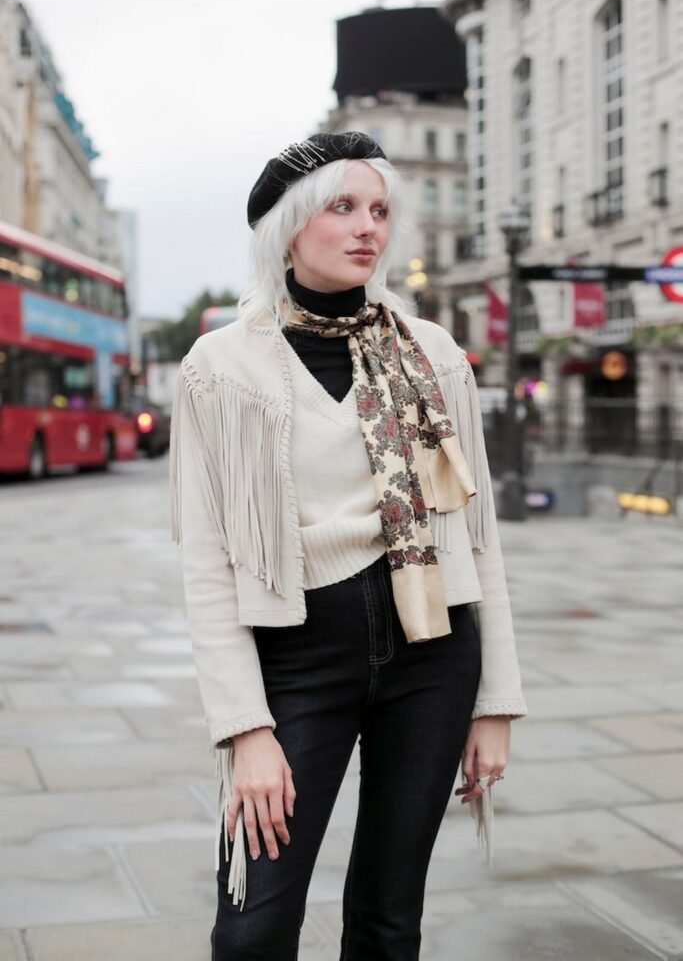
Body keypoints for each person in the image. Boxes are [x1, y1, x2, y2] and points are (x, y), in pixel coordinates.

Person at [171, 131, 527, 961]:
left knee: (387, 919)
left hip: (433, 656)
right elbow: (207, 563)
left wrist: (494, 703)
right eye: (342, 207)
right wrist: (243, 730)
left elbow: (479, 539)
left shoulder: (431, 353)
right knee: (252, 927)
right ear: (290, 227)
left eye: (377, 210)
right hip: (297, 659)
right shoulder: (220, 368)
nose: (368, 226)